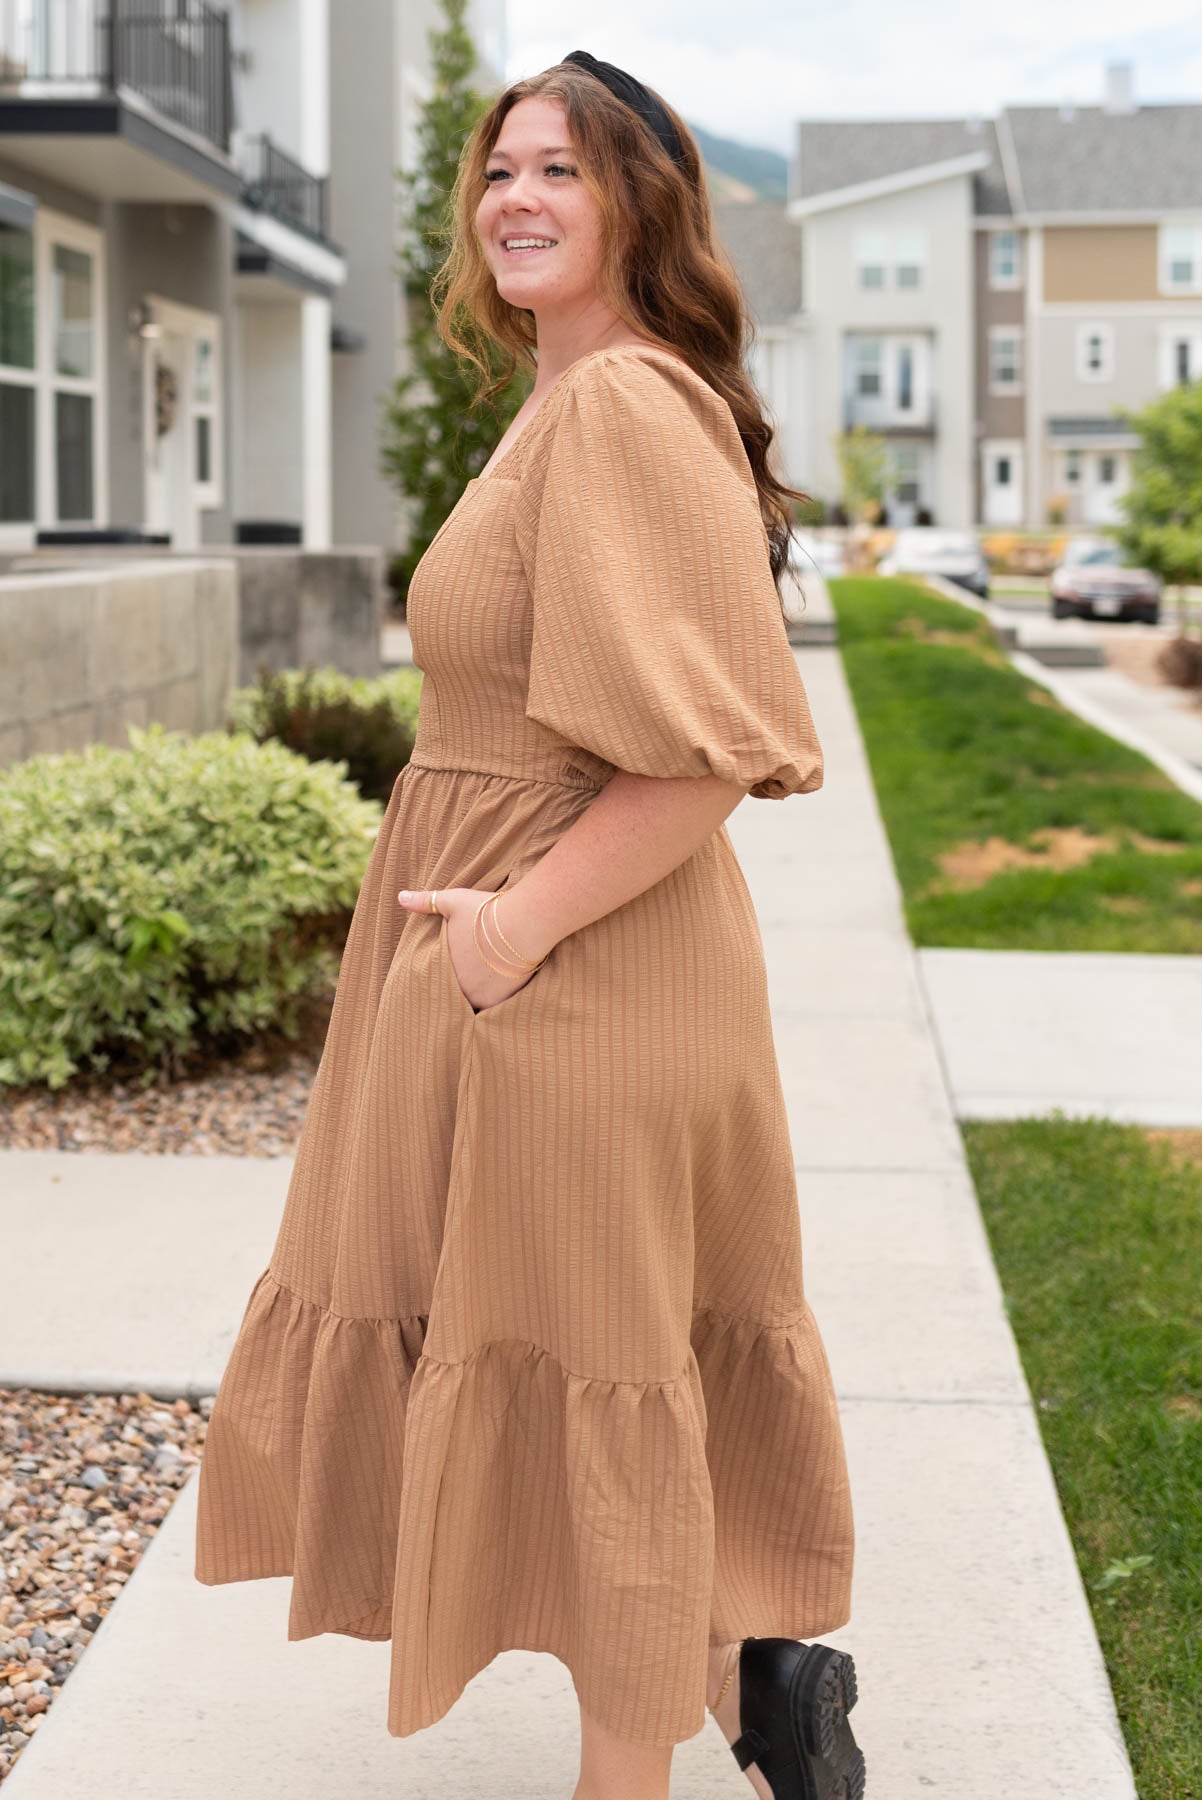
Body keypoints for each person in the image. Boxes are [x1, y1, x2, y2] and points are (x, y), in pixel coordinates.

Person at [194, 48, 862, 1800]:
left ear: (643, 198)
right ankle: (751, 1683)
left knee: (589, 1369)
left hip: (584, 960)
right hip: (529, 946)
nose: (516, 196)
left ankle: (627, 1776)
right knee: (559, 1348)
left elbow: (703, 763)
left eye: (560, 168)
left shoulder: (627, 404)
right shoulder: (565, 399)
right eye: (498, 169)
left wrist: (504, 939)